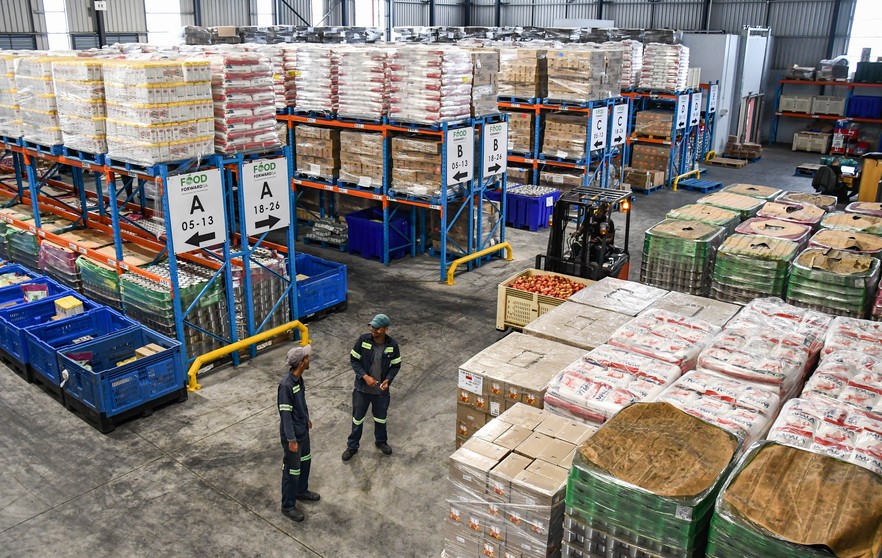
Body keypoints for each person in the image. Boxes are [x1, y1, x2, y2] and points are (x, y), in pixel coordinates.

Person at [342, 313, 402, 461]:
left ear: (386, 329)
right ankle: (352, 446)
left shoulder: (392, 345)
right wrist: (365, 376)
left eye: (377, 328)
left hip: (381, 392)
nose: (373, 330)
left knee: (381, 418)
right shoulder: (363, 340)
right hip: (362, 390)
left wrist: (388, 380)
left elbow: (396, 365)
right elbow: (354, 360)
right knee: (357, 419)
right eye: (372, 327)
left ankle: (381, 441)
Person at [278, 344, 320, 522]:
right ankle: (287, 506)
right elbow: (285, 415)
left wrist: (306, 418)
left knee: (305, 461)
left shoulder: (299, 380)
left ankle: (301, 491)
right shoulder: (286, 386)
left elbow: (300, 404)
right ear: (301, 363)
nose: (309, 360)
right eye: (306, 358)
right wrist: (291, 439)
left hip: (302, 430)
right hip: (293, 436)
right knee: (292, 470)